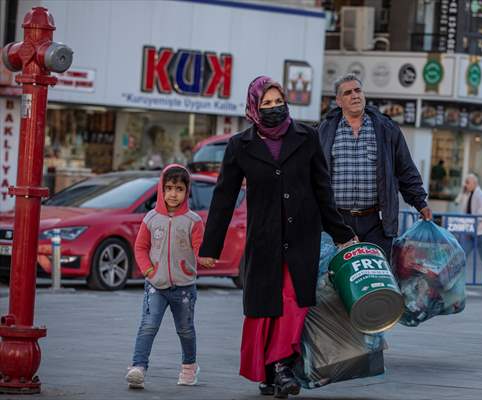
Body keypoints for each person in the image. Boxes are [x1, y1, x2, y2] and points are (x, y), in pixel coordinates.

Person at [198, 76, 356, 398]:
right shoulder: (239, 145)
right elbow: (224, 197)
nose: (273, 108)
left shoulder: (306, 137)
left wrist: (341, 233)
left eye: (278, 101)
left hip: (302, 239)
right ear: (254, 108)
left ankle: (283, 366)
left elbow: (322, 189)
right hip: (264, 240)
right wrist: (210, 247)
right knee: (265, 308)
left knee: (292, 302)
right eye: (266, 104)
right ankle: (270, 372)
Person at [318, 74, 431, 260]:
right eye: (348, 93)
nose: (355, 95)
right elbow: (312, 175)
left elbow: (405, 169)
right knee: (334, 281)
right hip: (336, 222)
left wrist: (420, 202)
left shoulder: (386, 128)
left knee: (376, 279)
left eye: (358, 90)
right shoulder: (324, 131)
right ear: (338, 101)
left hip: (376, 222)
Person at [125, 165, 206, 389]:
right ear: (161, 189)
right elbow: (140, 247)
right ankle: (138, 367)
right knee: (148, 325)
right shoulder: (151, 218)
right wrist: (149, 270)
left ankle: (189, 368)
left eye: (179, 189)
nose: (173, 194)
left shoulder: (194, 221)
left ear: (187, 191)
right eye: (168, 188)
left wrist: (205, 258)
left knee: (186, 330)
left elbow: (199, 248)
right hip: (155, 285)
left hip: (184, 287)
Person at [458, 174, 482, 283]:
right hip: (470, 230)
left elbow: (481, 214)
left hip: (481, 231)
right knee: (463, 254)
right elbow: (464, 209)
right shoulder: (469, 194)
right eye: (465, 182)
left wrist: (468, 222)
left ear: (474, 183)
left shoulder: (481, 195)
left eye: (467, 182)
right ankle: (455, 278)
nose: (465, 185)